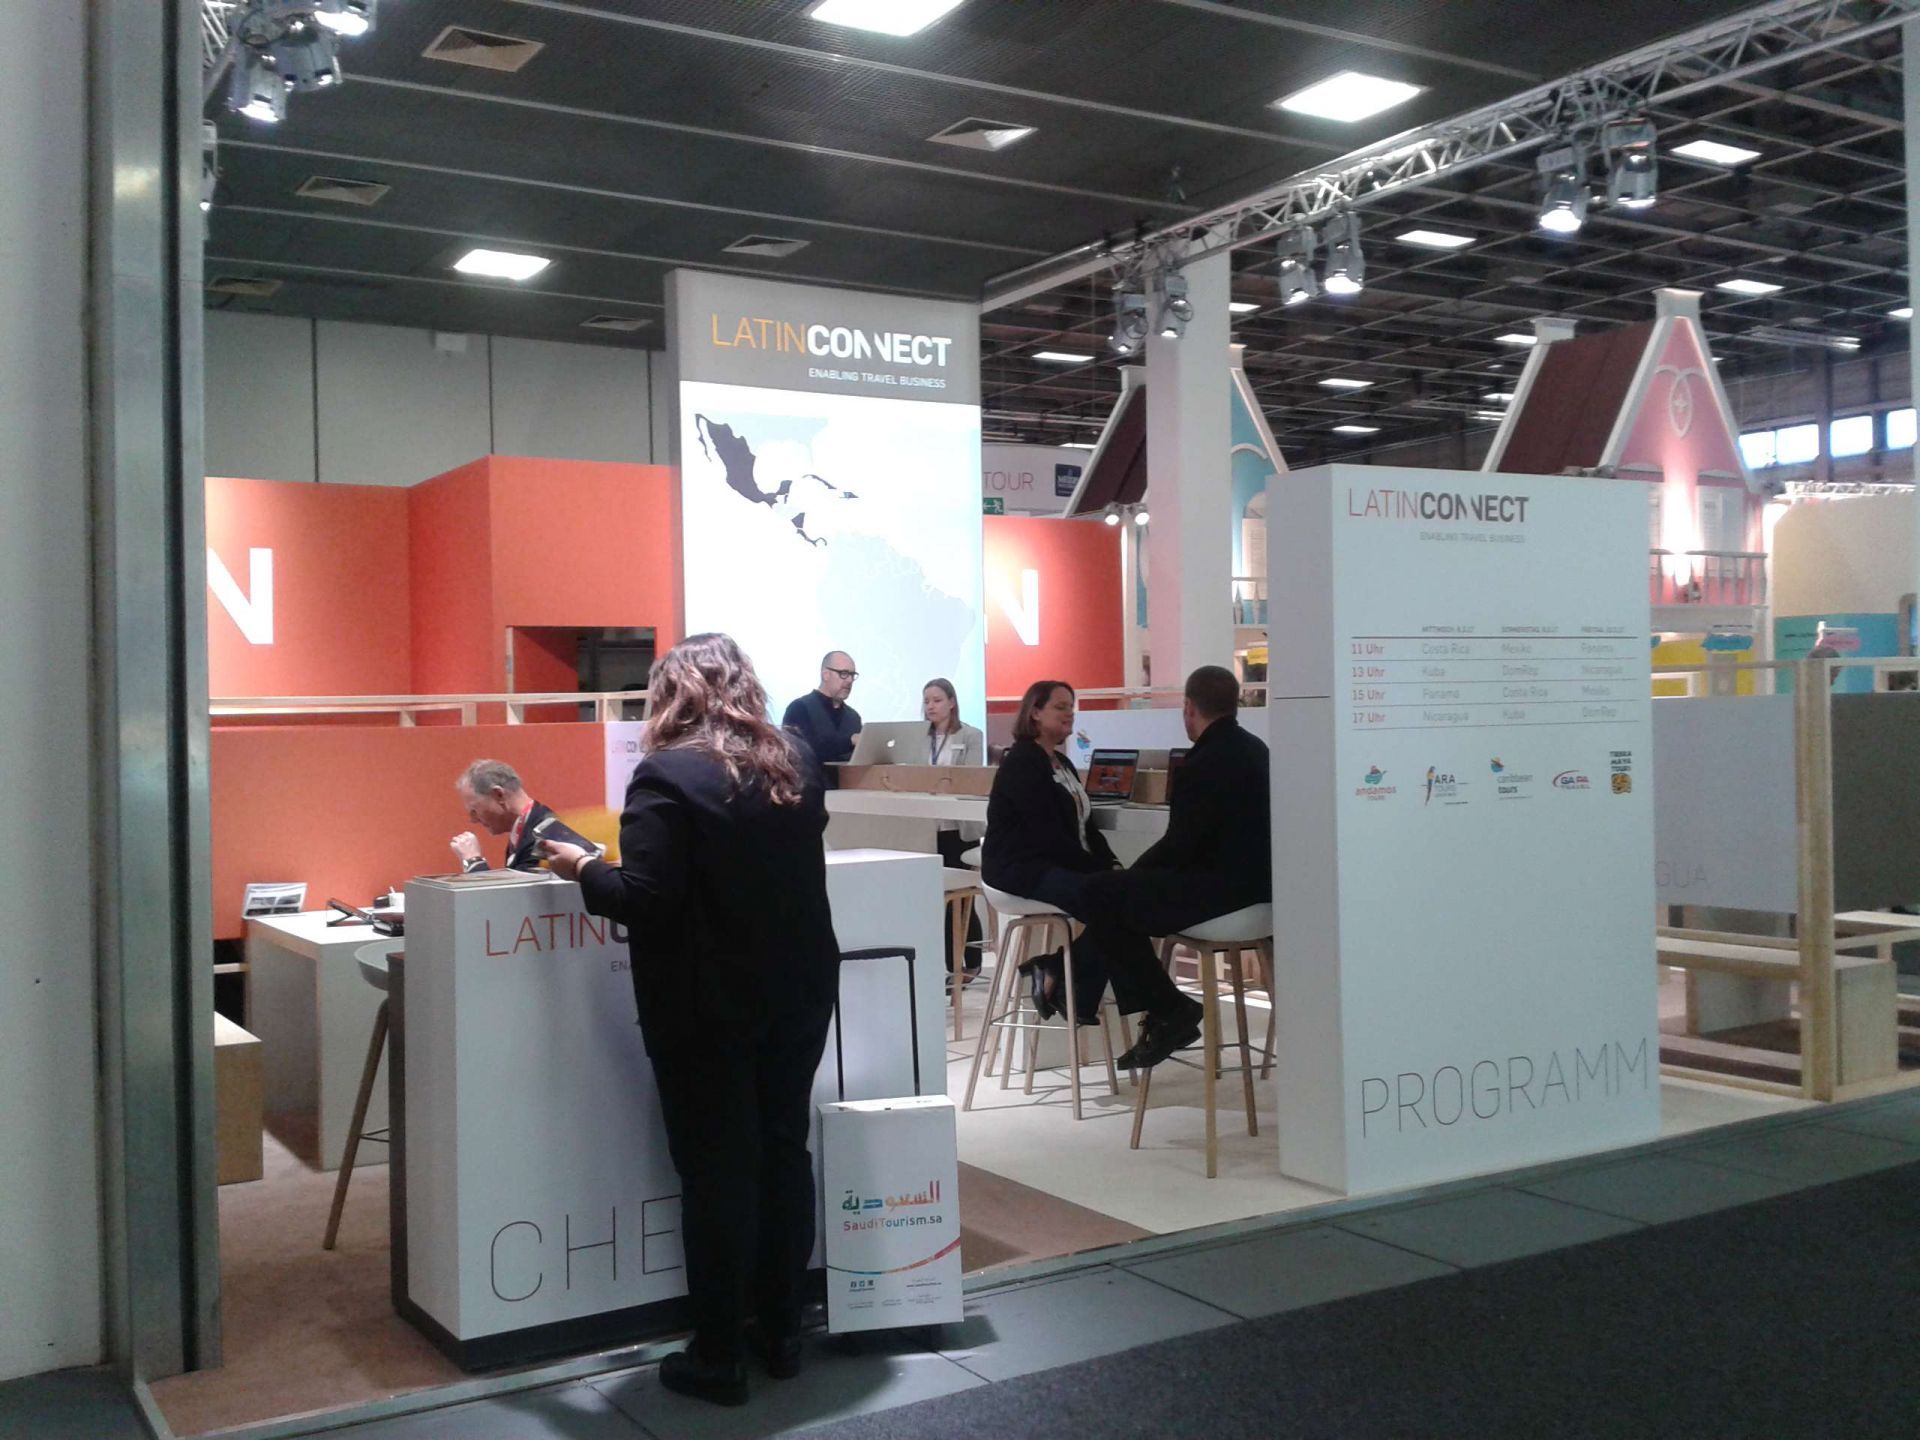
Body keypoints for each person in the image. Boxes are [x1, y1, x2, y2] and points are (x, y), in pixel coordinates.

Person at [543, 634, 839, 1407]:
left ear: (670, 693)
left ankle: (717, 1356)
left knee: (717, 1174)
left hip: (707, 1005)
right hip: (801, 989)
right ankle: (782, 1333)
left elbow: (643, 899)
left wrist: (582, 867)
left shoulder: (666, 773)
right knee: (783, 1152)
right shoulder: (797, 760)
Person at [1086, 665, 1272, 1070]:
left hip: (1220, 893)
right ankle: (1102, 997)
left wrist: (1133, 874)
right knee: (1113, 897)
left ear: (1188, 708)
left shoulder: (1200, 763)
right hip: (1261, 892)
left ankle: (1168, 1009)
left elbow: (1181, 845)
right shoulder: (1258, 750)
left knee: (1103, 896)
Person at [982, 680, 1150, 1030]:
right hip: (1022, 870)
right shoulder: (1023, 762)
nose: (1069, 714)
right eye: (1060, 707)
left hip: (1057, 864)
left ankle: (1057, 972)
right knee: (1113, 901)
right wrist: (1099, 874)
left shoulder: (1063, 764)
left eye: (1071, 707)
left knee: (1123, 899)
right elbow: (1048, 838)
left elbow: (1087, 828)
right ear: (1035, 713)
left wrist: (1111, 864)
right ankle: (1139, 1005)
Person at [923, 677, 987, 983]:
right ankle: (949, 966)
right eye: (926, 701)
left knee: (959, 896)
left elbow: (969, 779)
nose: (930, 706)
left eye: (937, 700)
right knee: (936, 896)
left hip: (958, 826)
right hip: (927, 825)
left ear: (951, 702)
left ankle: (967, 964)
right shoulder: (919, 738)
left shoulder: (971, 735)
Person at [449, 758, 598, 873]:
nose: (473, 820)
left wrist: (473, 860)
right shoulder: (527, 827)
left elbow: (511, 900)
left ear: (499, 795)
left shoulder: (544, 838)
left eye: (475, 810)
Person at [781, 650, 862, 781]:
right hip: (808, 789)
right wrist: (849, 741)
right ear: (825, 674)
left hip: (847, 789)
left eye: (853, 675)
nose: (849, 680)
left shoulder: (853, 717)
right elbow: (801, 753)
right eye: (844, 674)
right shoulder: (799, 708)